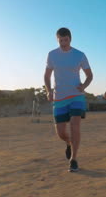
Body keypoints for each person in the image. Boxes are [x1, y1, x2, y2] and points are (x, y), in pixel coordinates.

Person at [44, 27, 93, 172]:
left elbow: (90, 75)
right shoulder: (52, 55)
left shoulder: (79, 55)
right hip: (59, 97)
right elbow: (47, 76)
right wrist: (48, 91)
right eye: (61, 40)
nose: (63, 43)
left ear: (70, 39)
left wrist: (84, 85)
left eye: (66, 40)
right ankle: (69, 143)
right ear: (57, 40)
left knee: (75, 125)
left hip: (76, 96)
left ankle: (74, 159)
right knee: (60, 132)